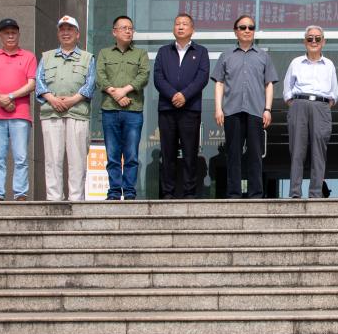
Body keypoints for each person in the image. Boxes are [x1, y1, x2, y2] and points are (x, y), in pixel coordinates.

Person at [212, 15, 278, 199]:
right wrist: (218, 108)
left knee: (255, 154)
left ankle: (256, 193)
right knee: (233, 154)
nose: (247, 30)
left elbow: (269, 84)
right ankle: (233, 193)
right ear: (236, 31)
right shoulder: (226, 56)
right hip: (232, 111)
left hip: (256, 111)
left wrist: (268, 109)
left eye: (251, 27)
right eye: (243, 27)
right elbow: (219, 83)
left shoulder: (263, 56)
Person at [36, 16, 96, 201]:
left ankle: (76, 199)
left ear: (77, 34)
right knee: (52, 159)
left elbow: (90, 84)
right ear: (58, 33)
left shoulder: (87, 57)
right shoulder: (46, 57)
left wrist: (72, 100)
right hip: (51, 113)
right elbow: (39, 82)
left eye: (70, 29)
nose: (66, 33)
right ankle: (54, 198)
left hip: (77, 113)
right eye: (62, 29)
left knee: (77, 160)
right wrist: (52, 99)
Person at [153, 13, 210, 199]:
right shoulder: (163, 51)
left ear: (192, 29)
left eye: (185, 24)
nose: (180, 27)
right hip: (167, 108)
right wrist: (173, 95)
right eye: (177, 23)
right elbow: (158, 77)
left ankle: (189, 192)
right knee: (167, 152)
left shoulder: (201, 52)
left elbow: (202, 77)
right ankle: (167, 192)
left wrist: (185, 95)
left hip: (190, 109)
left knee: (190, 152)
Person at [0, 18, 36, 202]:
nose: (10, 36)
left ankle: (20, 193)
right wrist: (0, 99)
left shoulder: (28, 56)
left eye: (13, 32)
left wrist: (10, 97)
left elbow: (32, 84)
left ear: (19, 34)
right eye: (6, 33)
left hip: (20, 113)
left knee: (21, 157)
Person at [96, 15, 149, 200]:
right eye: (124, 28)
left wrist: (124, 91)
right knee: (112, 155)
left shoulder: (140, 54)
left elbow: (143, 76)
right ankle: (114, 192)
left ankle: (129, 192)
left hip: (133, 111)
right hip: (109, 110)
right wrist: (115, 94)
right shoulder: (104, 53)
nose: (128, 31)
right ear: (114, 32)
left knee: (131, 154)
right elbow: (100, 76)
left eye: (130, 28)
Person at [283, 25, 338, 199]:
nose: (314, 41)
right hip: (299, 104)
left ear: (324, 41)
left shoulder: (329, 64)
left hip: (321, 106)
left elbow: (334, 93)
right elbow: (287, 90)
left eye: (317, 38)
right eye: (310, 38)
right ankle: (295, 192)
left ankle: (315, 193)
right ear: (304, 41)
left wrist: (321, 106)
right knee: (297, 150)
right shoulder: (296, 62)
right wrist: (295, 104)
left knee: (319, 151)